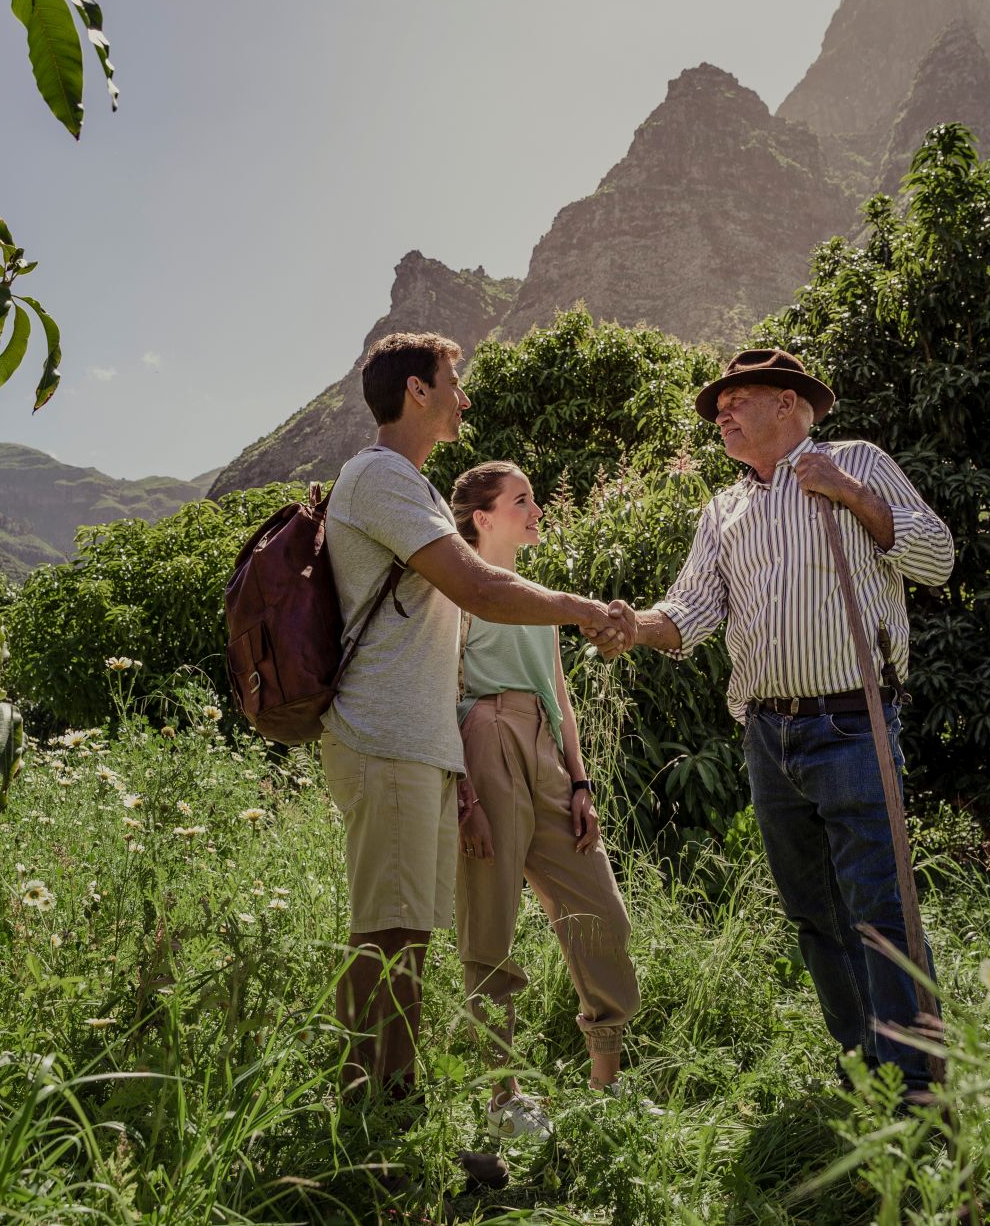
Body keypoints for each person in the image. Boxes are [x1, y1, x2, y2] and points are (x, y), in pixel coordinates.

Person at [618, 348, 954, 1100]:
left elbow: (937, 557)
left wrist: (851, 493)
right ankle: (862, 1066)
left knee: (882, 909)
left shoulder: (856, 459)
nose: (721, 416)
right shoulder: (723, 508)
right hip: (768, 736)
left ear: (788, 402)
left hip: (854, 722)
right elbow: (694, 608)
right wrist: (635, 625)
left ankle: (920, 1086)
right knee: (814, 914)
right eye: (718, 408)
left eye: (735, 400)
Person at [320, 332, 635, 1116]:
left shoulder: (414, 487)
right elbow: (479, 591)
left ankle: (396, 1109)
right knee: (387, 936)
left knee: (410, 936)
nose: (464, 397)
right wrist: (583, 608)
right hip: (383, 736)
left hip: (420, 745)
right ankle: (372, 1116)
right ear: (417, 391)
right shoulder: (380, 476)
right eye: (453, 382)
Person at [448, 461, 647, 1141]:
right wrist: (463, 793)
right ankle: (501, 1100)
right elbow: (443, 695)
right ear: (483, 517)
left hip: (545, 749)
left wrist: (582, 781)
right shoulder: (458, 593)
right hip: (485, 740)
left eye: (536, 499)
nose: (536, 510)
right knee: (490, 923)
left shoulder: (539, 598)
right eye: (522, 499)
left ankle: (607, 1083)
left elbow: (560, 697)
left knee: (601, 912)